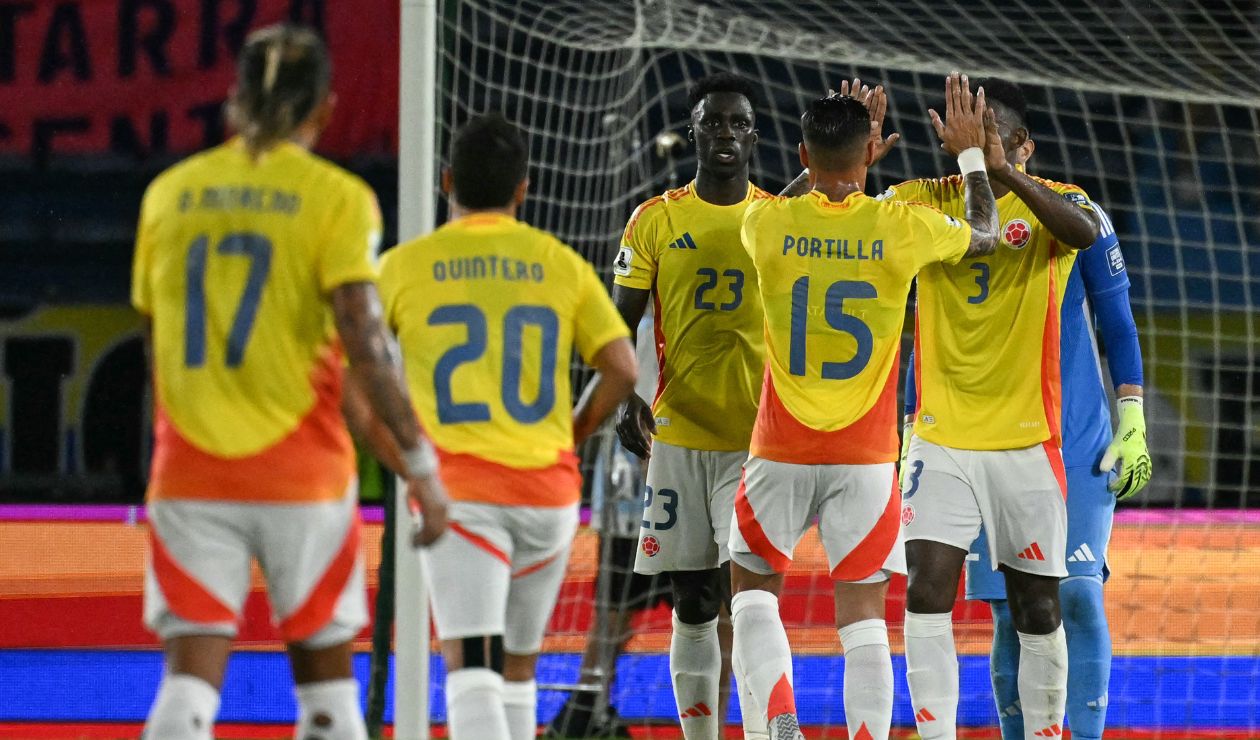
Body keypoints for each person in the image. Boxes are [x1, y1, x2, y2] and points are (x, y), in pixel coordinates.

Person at [132, 25, 448, 740]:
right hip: (303, 474)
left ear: (234, 99)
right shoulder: (336, 198)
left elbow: (156, 349)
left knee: (186, 690)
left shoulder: (168, 195)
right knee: (328, 699)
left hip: (190, 470)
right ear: (325, 108)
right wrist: (421, 467)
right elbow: (365, 341)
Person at [731, 84, 999, 740]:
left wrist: (832, 169)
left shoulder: (765, 223)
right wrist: (970, 158)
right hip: (868, 455)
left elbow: (788, 202)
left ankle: (780, 718)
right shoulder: (900, 226)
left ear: (802, 154)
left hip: (780, 446)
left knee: (752, 595)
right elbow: (987, 236)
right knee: (864, 620)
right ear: (868, 153)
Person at [375, 113, 637, 740]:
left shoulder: (403, 267)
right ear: (524, 187)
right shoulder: (560, 263)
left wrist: (401, 457)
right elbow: (623, 369)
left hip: (461, 493)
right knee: (518, 671)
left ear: (446, 181)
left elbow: (359, 375)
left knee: (471, 671)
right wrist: (571, 434)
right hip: (548, 495)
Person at [888, 76, 1105, 740]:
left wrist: (1001, 170)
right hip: (941, 438)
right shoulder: (920, 199)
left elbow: (1085, 235)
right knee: (926, 590)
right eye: (966, 135)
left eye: (988, 135)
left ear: (1019, 142)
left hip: (1027, 442)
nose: (974, 146)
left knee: (1037, 605)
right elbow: (856, 218)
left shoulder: (1060, 202)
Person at [950, 152, 1151, 738]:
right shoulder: (946, 209)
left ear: (1024, 145)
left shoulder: (1077, 212)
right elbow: (930, 327)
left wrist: (1133, 417)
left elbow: (1118, 321)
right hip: (984, 441)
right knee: (1013, 613)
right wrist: (915, 426)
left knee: (1080, 597)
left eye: (1001, 140)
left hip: (1075, 437)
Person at [611, 71, 770, 739]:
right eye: (713, 122)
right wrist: (625, 392)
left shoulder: (775, 218)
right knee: (694, 600)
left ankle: (765, 730)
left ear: (753, 135)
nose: (725, 133)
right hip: (677, 438)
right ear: (694, 131)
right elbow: (619, 324)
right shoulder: (655, 219)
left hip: (758, 442)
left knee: (753, 599)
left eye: (738, 123)